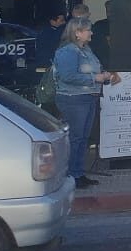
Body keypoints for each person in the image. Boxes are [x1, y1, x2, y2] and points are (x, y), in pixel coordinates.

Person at [51, 17, 119, 188]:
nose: (91, 33)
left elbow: (93, 69)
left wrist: (104, 75)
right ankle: (71, 175)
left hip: (87, 97)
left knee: (82, 138)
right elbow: (67, 76)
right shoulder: (68, 51)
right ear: (77, 33)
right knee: (76, 137)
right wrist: (95, 78)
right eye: (88, 30)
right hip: (73, 99)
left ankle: (78, 173)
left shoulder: (85, 50)